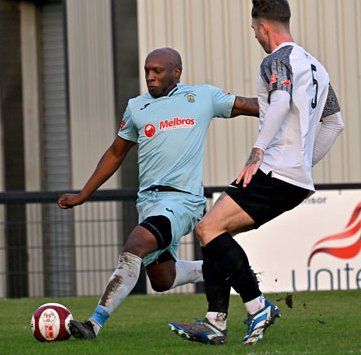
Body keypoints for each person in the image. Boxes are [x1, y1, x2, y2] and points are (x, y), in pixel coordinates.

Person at [168, 0, 344, 346]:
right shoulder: (316, 68)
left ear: (264, 26)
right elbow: (334, 123)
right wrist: (304, 163)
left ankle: (256, 306)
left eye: (253, 29)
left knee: (208, 228)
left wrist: (258, 150)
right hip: (293, 177)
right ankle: (215, 321)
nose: (254, 36)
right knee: (214, 233)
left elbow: (279, 101)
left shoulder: (276, 60)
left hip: (275, 170)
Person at [57, 47, 259, 340]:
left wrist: (287, 101)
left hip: (182, 201)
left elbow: (250, 106)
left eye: (157, 71)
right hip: (149, 203)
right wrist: (82, 194)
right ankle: (221, 266)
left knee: (135, 244)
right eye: (147, 71)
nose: (150, 77)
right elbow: (115, 153)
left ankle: (93, 324)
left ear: (176, 72)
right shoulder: (136, 106)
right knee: (162, 279)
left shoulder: (202, 97)